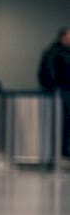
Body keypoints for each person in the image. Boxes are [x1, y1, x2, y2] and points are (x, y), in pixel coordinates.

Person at [38, 26, 70, 159]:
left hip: (64, 92)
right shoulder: (54, 52)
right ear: (63, 37)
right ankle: (61, 153)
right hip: (61, 93)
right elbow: (48, 75)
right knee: (62, 124)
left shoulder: (63, 52)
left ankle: (64, 152)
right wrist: (56, 86)